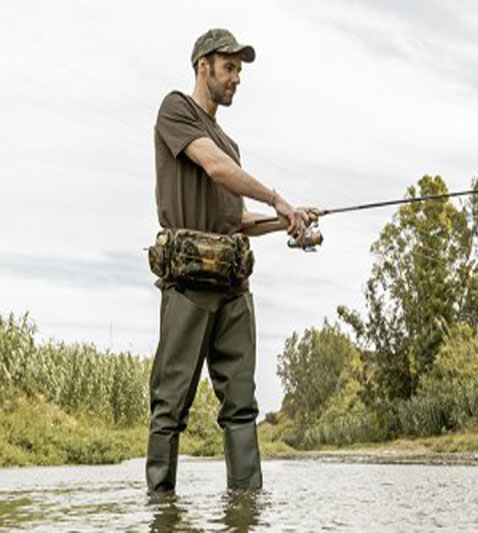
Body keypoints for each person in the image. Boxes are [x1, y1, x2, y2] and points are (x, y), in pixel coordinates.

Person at [147, 28, 318, 491]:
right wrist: (279, 198)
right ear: (203, 66)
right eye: (230, 67)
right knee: (170, 406)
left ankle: (247, 507)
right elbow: (215, 169)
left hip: (233, 289)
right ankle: (161, 509)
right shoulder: (176, 109)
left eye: (240, 69)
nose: (237, 78)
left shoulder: (232, 145)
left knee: (241, 405)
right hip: (189, 286)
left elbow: (236, 219)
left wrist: (288, 220)